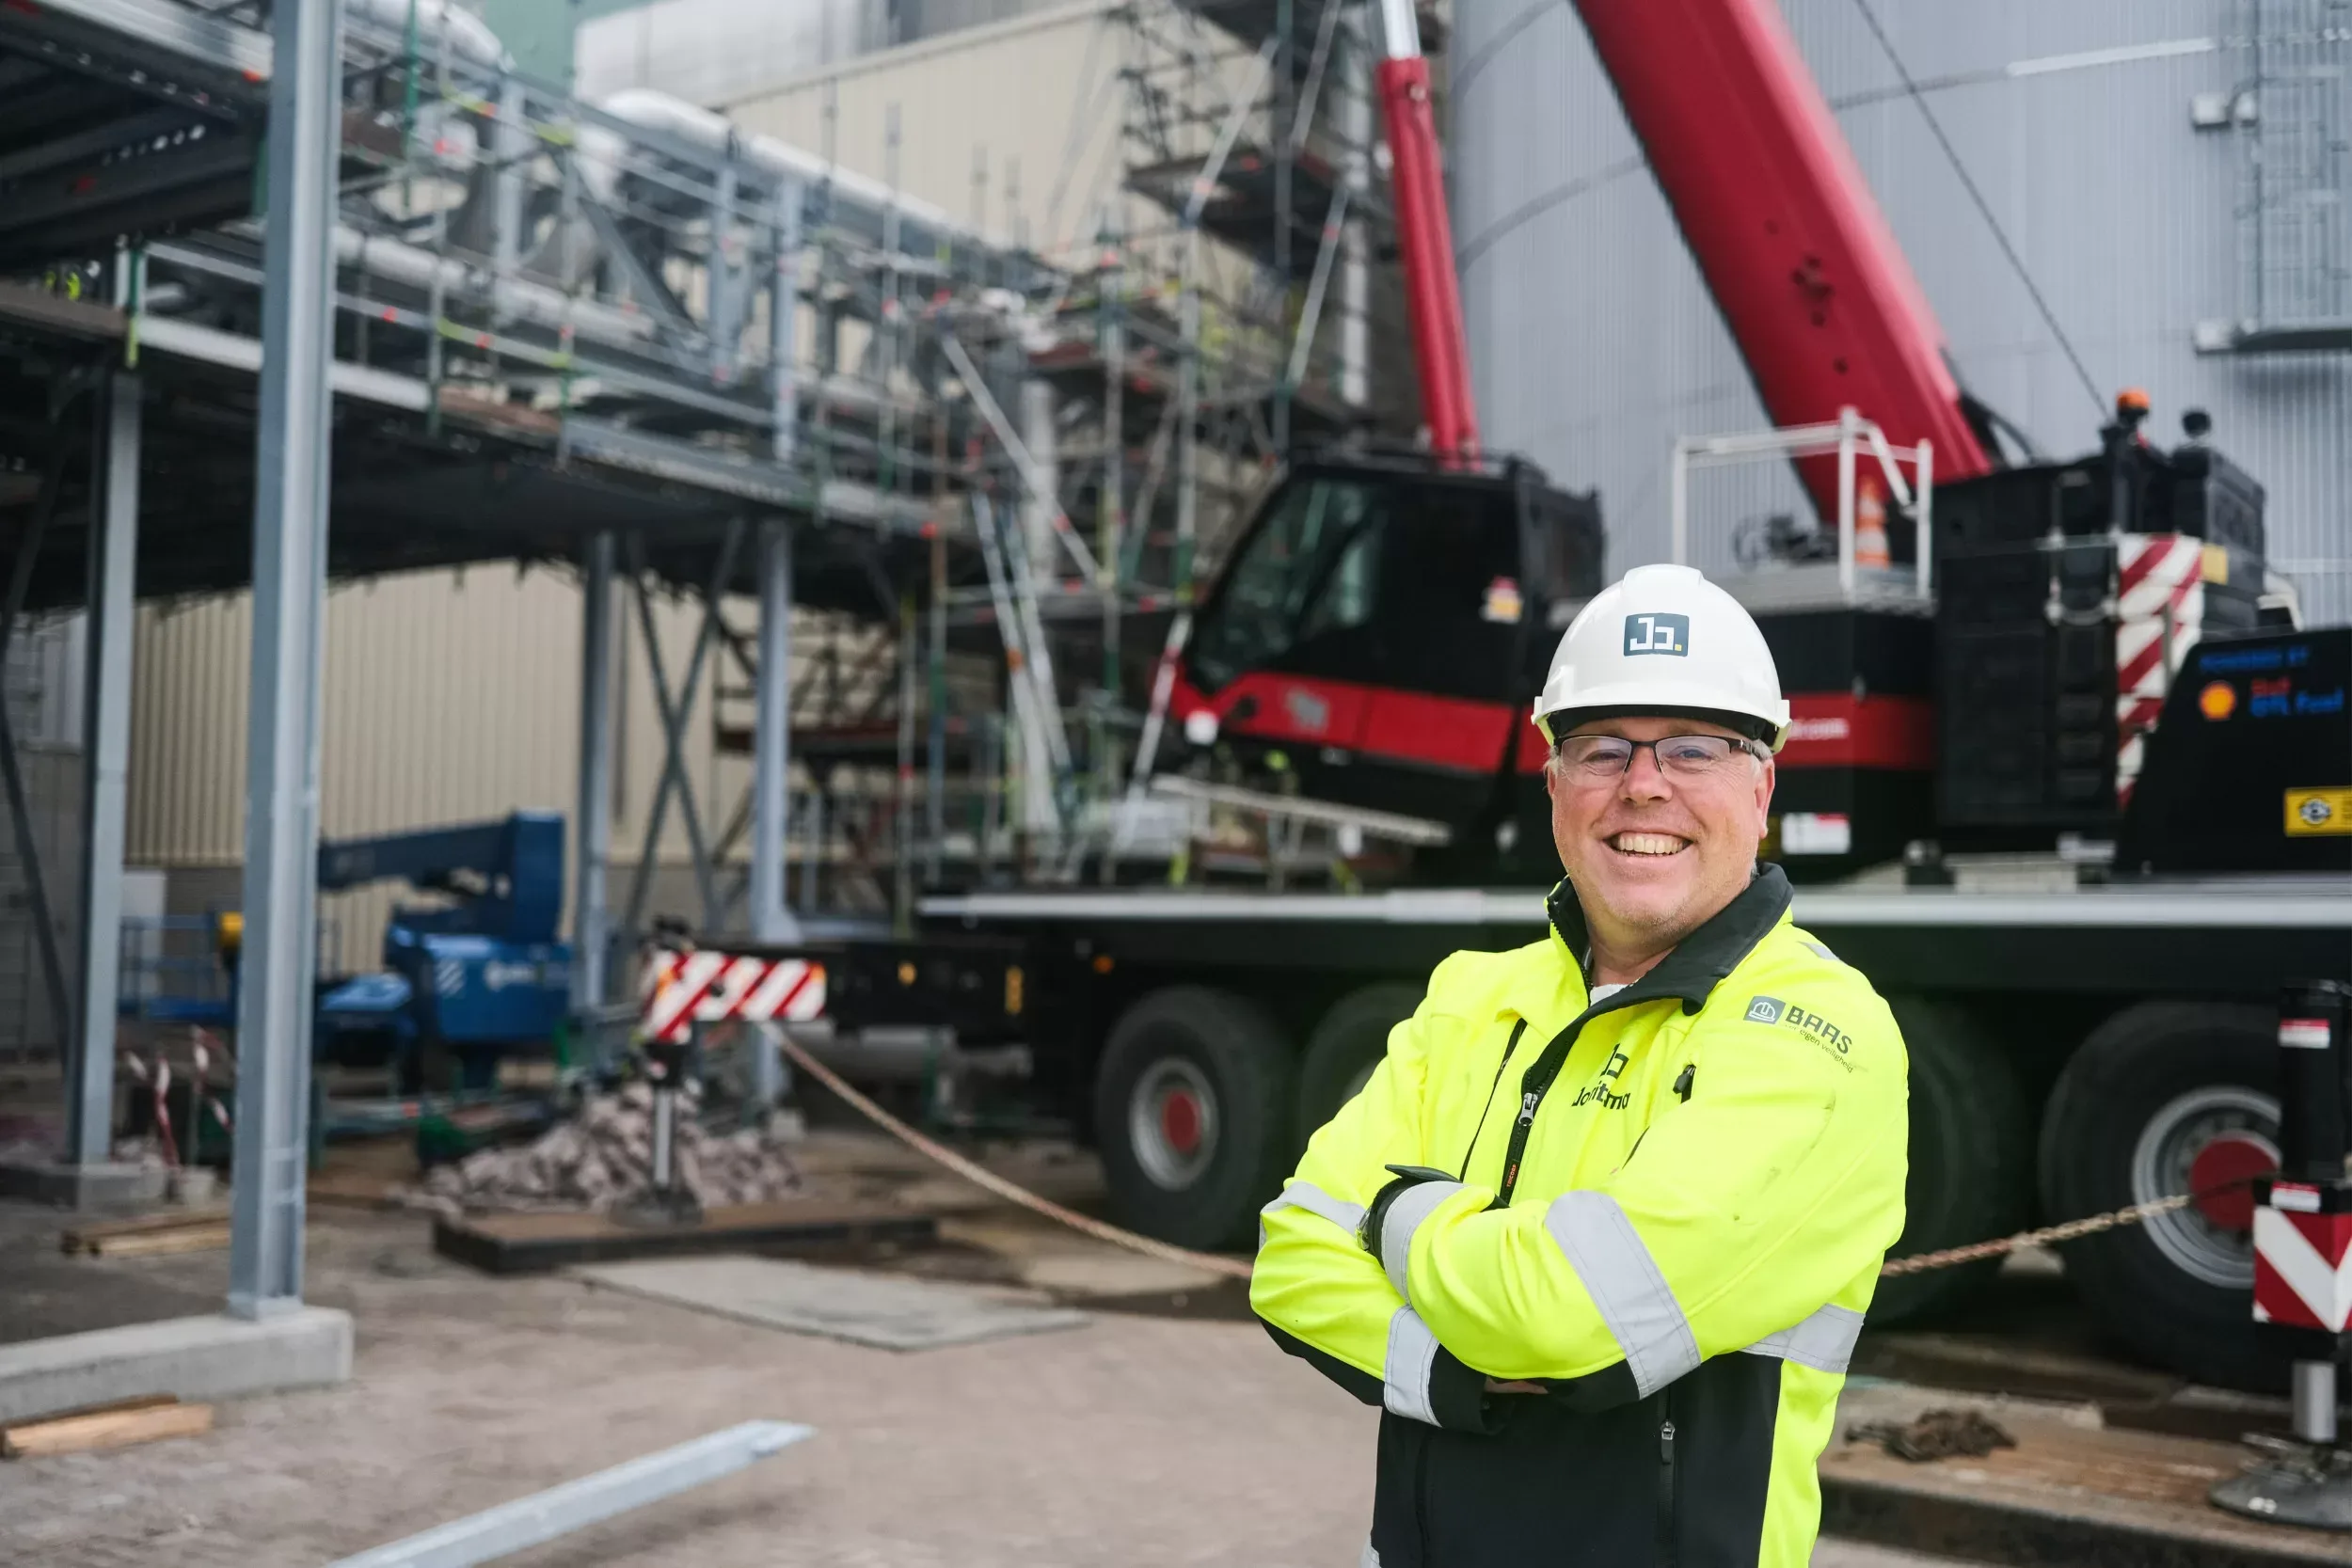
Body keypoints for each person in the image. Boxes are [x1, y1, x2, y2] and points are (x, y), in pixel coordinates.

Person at [1250, 562, 1910, 1568]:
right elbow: (1293, 1255)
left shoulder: (1817, 1029)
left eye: (1694, 746)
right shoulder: (1473, 993)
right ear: (1555, 786)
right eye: (1603, 748)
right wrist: (1455, 1374)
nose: (1644, 783)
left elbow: (1569, 1313)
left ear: (1762, 786)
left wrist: (1397, 1213)